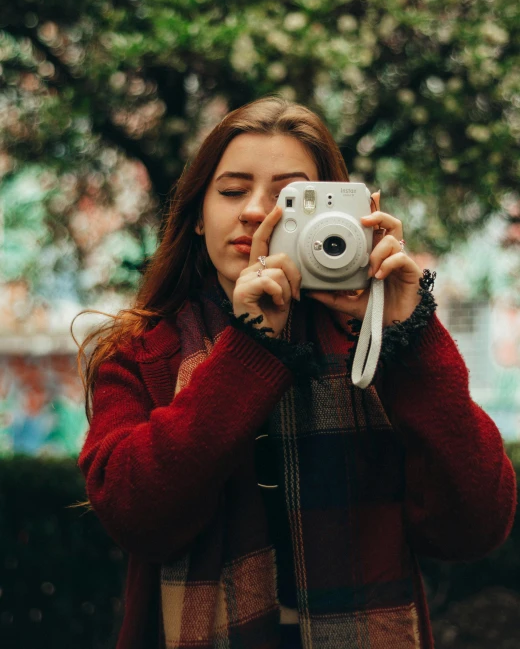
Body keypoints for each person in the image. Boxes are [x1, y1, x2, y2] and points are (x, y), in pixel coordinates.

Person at [78, 96, 516, 649]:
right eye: (232, 191)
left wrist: (412, 336)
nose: (258, 211)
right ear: (194, 217)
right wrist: (253, 348)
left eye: (290, 197)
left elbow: (476, 524)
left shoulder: (376, 344)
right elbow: (136, 515)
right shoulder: (141, 354)